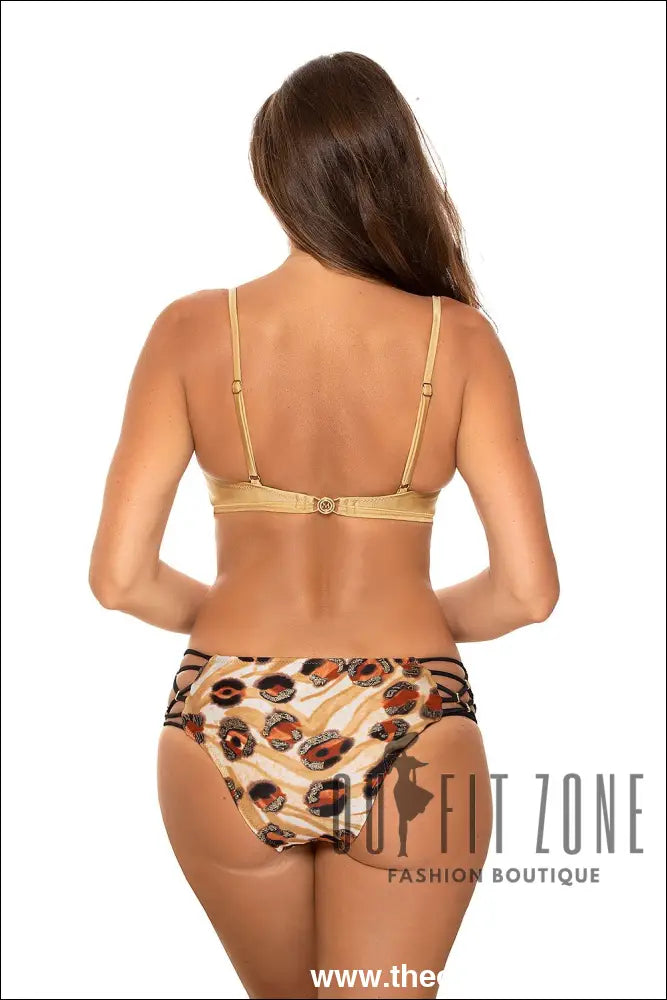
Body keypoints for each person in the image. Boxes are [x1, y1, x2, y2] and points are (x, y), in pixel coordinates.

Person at [89, 51, 559, 999]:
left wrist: (235, 614)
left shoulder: (190, 330)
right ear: (395, 169)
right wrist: (410, 618)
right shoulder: (458, 340)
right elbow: (526, 593)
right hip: (409, 713)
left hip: (226, 712)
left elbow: (120, 579)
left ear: (274, 178)